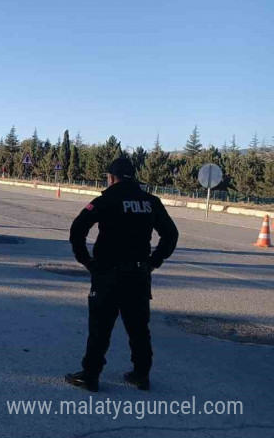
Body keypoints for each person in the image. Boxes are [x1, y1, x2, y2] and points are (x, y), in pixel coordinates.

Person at [65, 157, 178, 392]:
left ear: (111, 177)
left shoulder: (107, 199)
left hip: (108, 273)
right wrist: (154, 261)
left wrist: (86, 261)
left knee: (100, 328)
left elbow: (78, 229)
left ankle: (91, 375)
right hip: (138, 273)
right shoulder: (150, 201)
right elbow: (171, 234)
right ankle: (141, 374)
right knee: (138, 328)